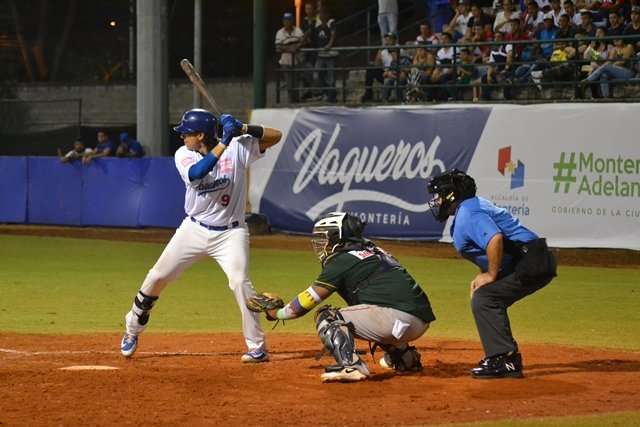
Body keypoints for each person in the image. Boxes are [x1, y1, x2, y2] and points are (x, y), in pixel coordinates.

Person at [119, 109, 283, 363]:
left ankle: (257, 346)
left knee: (240, 282)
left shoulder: (238, 147)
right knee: (157, 277)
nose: (182, 137)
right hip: (194, 229)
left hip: (231, 233)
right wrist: (226, 140)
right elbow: (198, 173)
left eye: (187, 133)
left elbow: (276, 136)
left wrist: (244, 129)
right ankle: (132, 329)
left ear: (201, 135)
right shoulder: (184, 154)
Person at [251, 212, 435, 382]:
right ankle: (406, 359)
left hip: (396, 320)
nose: (321, 244)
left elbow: (305, 303)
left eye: (325, 238)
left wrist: (276, 313)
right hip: (418, 321)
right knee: (369, 309)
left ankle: (351, 366)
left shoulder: (342, 260)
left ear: (338, 238)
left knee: (328, 316)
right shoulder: (374, 251)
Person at [427, 169, 557, 379]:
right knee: (486, 296)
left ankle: (504, 359)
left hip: (531, 261)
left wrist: (491, 275)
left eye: (439, 194)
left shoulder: (469, 212)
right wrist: (486, 273)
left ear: (452, 195)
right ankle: (503, 356)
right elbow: (490, 247)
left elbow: (494, 239)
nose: (435, 200)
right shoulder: (470, 207)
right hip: (527, 258)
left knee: (485, 299)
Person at [275, 12, 305, 103]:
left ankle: (297, 99)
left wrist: (297, 46)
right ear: (283, 21)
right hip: (285, 60)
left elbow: (303, 41)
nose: (287, 22)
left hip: (297, 59)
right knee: (289, 82)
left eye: (289, 20)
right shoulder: (280, 32)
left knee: (296, 81)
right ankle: (291, 100)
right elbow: (278, 47)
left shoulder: (298, 30)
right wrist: (290, 48)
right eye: (286, 20)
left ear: (292, 21)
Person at [313, 8, 338, 102]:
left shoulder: (331, 23)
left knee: (331, 76)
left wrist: (329, 45)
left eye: (323, 13)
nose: (321, 15)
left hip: (330, 54)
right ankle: (325, 92)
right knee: (316, 75)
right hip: (320, 54)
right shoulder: (317, 25)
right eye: (320, 13)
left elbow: (333, 34)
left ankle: (331, 96)